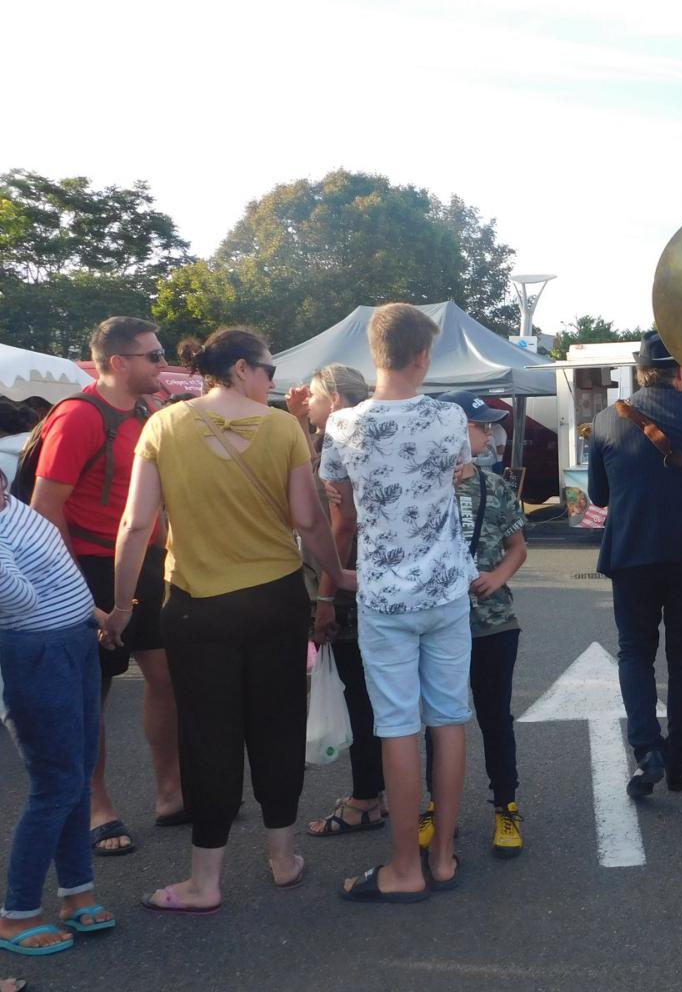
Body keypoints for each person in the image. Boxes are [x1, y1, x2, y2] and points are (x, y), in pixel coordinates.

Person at [105, 328, 351, 914]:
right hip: (274, 601)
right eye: (267, 369)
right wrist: (337, 575)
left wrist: (119, 606)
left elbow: (136, 526)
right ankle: (283, 859)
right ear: (241, 369)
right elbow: (309, 522)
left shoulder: (163, 426)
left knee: (207, 735)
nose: (272, 380)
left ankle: (204, 881)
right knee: (278, 725)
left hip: (195, 605)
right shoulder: (283, 427)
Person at [320, 303, 476, 902]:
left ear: (375, 353)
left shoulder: (343, 425)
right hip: (446, 591)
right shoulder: (449, 418)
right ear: (422, 355)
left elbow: (341, 501)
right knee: (450, 720)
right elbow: (457, 472)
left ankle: (403, 866)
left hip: (385, 596)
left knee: (396, 729)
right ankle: (441, 857)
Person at [29, 316, 180, 858]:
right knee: (94, 690)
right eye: (154, 355)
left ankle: (171, 794)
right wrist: (75, 592)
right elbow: (45, 510)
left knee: (165, 676)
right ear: (119, 362)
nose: (163, 363)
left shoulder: (147, 413)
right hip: (86, 566)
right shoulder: (78, 416)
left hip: (144, 562)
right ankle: (98, 807)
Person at [587, 331, 682, 796]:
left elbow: (598, 496)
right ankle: (678, 760)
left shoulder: (608, 420)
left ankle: (647, 751)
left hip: (631, 552)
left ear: (639, 371)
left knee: (635, 652)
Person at [0, 467, 116, 958]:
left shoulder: (9, 504)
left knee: (78, 770)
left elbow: (56, 566)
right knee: (57, 783)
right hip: (34, 655)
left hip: (74, 642)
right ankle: (16, 914)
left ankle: (77, 892)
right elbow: (20, 597)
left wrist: (94, 615)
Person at [418, 392, 529, 855]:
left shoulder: (495, 486)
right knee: (437, 722)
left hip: (493, 623)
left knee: (495, 717)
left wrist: (497, 576)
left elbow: (517, 547)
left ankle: (506, 805)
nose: (490, 433)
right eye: (481, 425)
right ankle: (435, 806)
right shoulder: (420, 484)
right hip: (437, 623)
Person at [285, 365, 390, 840]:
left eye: (315, 399)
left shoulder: (341, 444)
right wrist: (302, 424)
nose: (308, 404)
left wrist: (325, 596)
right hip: (379, 580)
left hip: (345, 586)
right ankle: (378, 791)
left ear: (334, 400)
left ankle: (367, 798)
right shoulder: (377, 434)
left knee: (361, 696)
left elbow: (340, 527)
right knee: (380, 695)